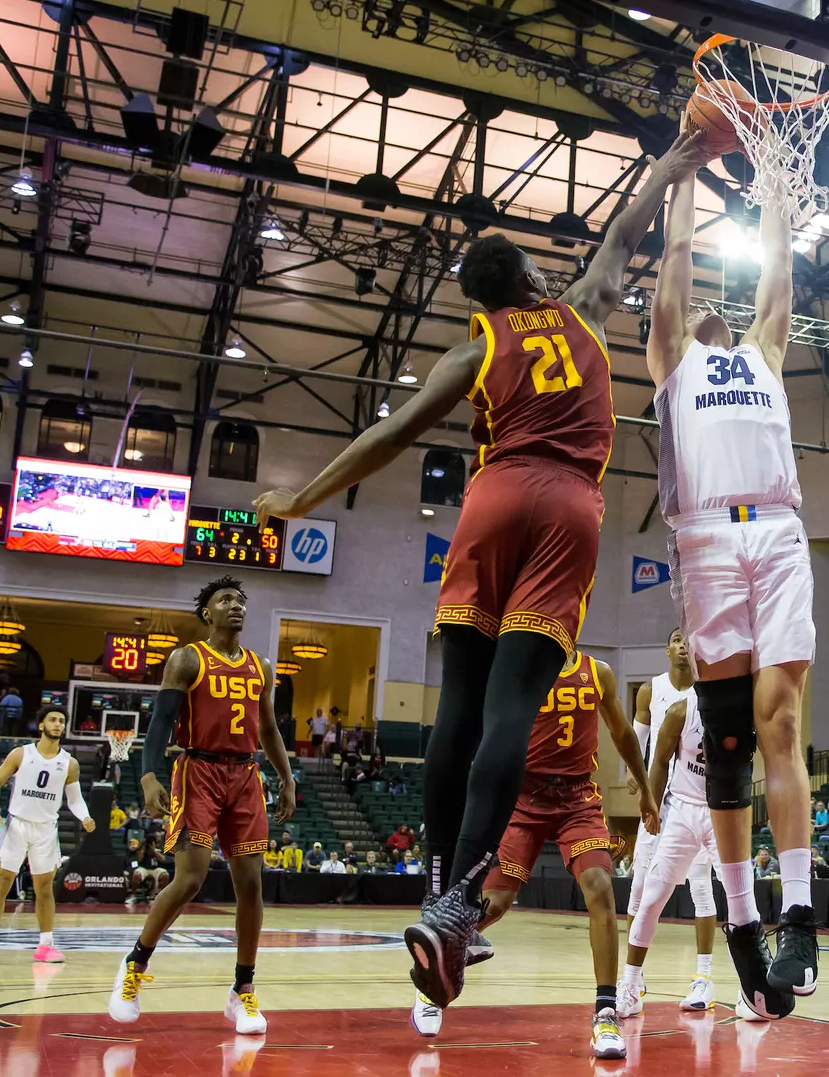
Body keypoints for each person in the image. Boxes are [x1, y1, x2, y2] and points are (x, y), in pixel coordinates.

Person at [254, 130, 706, 1017]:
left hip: (490, 501)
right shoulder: (580, 306)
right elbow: (631, 227)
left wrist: (305, 498)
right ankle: (461, 907)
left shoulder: (472, 351)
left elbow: (392, 435)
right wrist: (677, 158)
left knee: (456, 709)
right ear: (533, 279)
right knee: (509, 712)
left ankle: (439, 892)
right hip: (567, 504)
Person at [646, 137, 817, 1022]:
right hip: (708, 539)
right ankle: (742, 920)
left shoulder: (764, 353)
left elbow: (779, 268)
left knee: (780, 721)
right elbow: (675, 261)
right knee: (729, 747)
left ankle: (799, 915)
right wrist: (680, 174)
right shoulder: (673, 358)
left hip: (778, 529)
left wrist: (776, 189)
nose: (711, 307)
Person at [422, 650, 655, 1057]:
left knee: (600, 887)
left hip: (577, 797)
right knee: (494, 903)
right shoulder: (519, 667)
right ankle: (431, 985)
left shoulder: (597, 673)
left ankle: (605, 1013)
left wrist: (646, 790)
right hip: (523, 797)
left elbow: (621, 734)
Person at [108, 576, 296, 1036]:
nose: (236, 606)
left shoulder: (261, 666)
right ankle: (134, 966)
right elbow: (162, 721)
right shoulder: (187, 658)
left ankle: (243, 991)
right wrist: (149, 775)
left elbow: (268, 729)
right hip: (198, 772)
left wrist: (287, 777)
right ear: (207, 613)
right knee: (189, 880)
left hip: (246, 775)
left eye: (240, 600)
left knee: (251, 886)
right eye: (225, 600)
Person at [619, 692, 727, 1022]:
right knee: (650, 897)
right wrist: (650, 804)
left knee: (738, 900)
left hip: (722, 811)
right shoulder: (681, 709)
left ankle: (728, 983)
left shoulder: (740, 707)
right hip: (680, 809)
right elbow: (660, 760)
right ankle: (632, 985)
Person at [0, 707, 96, 965]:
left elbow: (75, 800)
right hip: (16, 825)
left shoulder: (69, 763)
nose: (57, 724)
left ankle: (45, 945)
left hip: (45, 830)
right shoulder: (21, 754)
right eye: (52, 719)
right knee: (2, 883)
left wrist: (84, 816)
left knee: (45, 889)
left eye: (61, 721)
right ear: (41, 725)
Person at [625, 629, 697, 927]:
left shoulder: (706, 692)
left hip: (694, 796)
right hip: (658, 792)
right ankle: (631, 971)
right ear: (667, 649)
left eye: (689, 641)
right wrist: (632, 771)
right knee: (640, 880)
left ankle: (703, 970)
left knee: (701, 886)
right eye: (678, 639)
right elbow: (636, 737)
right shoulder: (650, 689)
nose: (683, 645)